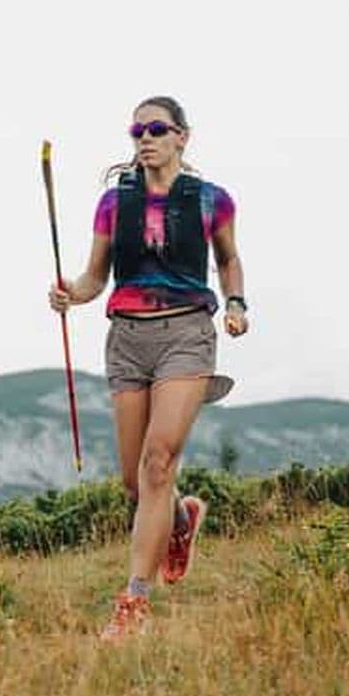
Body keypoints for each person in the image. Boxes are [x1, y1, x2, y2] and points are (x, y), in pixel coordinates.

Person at [48, 95, 248, 640]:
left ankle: (132, 604)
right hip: (128, 339)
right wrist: (71, 293)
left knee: (158, 462)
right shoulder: (115, 203)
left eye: (157, 128)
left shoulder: (212, 200)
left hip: (186, 333)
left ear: (182, 136)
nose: (145, 137)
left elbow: (228, 259)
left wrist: (235, 303)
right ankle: (181, 520)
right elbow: (94, 278)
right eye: (137, 130)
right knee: (136, 483)